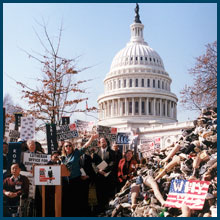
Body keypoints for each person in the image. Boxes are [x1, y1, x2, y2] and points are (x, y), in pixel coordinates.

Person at [61, 134, 99, 217]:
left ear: (72, 147)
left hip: (76, 180)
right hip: (66, 182)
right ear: (64, 148)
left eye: (70, 145)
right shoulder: (63, 158)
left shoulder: (76, 153)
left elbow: (85, 146)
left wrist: (91, 138)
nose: (68, 147)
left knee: (77, 201)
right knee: (68, 201)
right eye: (66, 146)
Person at [92, 137, 116, 213]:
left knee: (107, 194)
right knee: (99, 194)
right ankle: (100, 210)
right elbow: (93, 164)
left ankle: (107, 211)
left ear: (107, 142)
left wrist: (105, 170)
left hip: (108, 176)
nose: (103, 143)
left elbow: (113, 162)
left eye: (104, 141)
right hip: (99, 177)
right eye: (101, 142)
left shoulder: (112, 152)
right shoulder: (96, 153)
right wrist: (98, 170)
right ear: (99, 143)